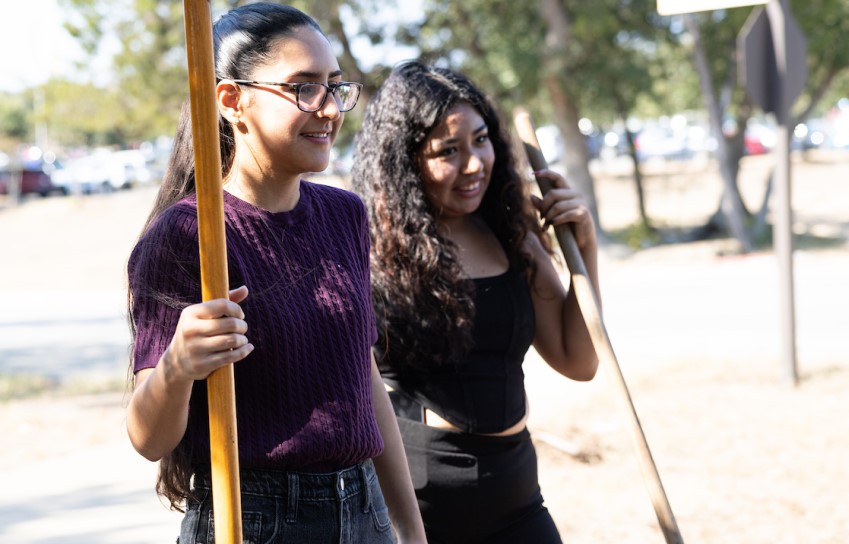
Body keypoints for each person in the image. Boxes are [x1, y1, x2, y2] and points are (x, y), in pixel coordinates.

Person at [125, 4, 425, 543]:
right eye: (303, 87)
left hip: (365, 514)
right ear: (233, 100)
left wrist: (409, 528)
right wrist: (178, 366)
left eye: (335, 86)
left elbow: (366, 381)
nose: (329, 108)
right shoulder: (188, 236)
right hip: (253, 519)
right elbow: (148, 438)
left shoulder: (344, 214)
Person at [350, 61, 601, 543]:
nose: (474, 164)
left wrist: (583, 252)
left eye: (481, 140)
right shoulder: (371, 250)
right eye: (449, 150)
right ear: (406, 159)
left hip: (518, 496)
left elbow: (579, 359)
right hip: (423, 507)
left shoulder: (512, 236)